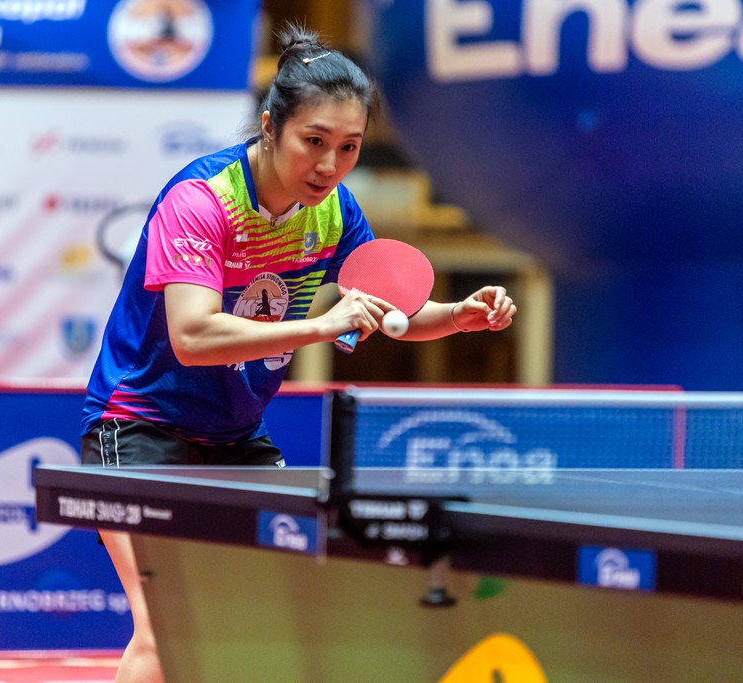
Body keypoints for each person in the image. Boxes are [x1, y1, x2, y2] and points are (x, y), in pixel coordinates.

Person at [79, 23, 516, 683]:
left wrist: (456, 316)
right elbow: (193, 337)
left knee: (272, 621)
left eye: (349, 147)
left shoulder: (334, 212)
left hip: (233, 436)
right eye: (314, 141)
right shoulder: (201, 202)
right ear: (269, 126)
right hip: (141, 427)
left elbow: (388, 312)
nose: (329, 166)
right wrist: (320, 327)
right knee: (168, 627)